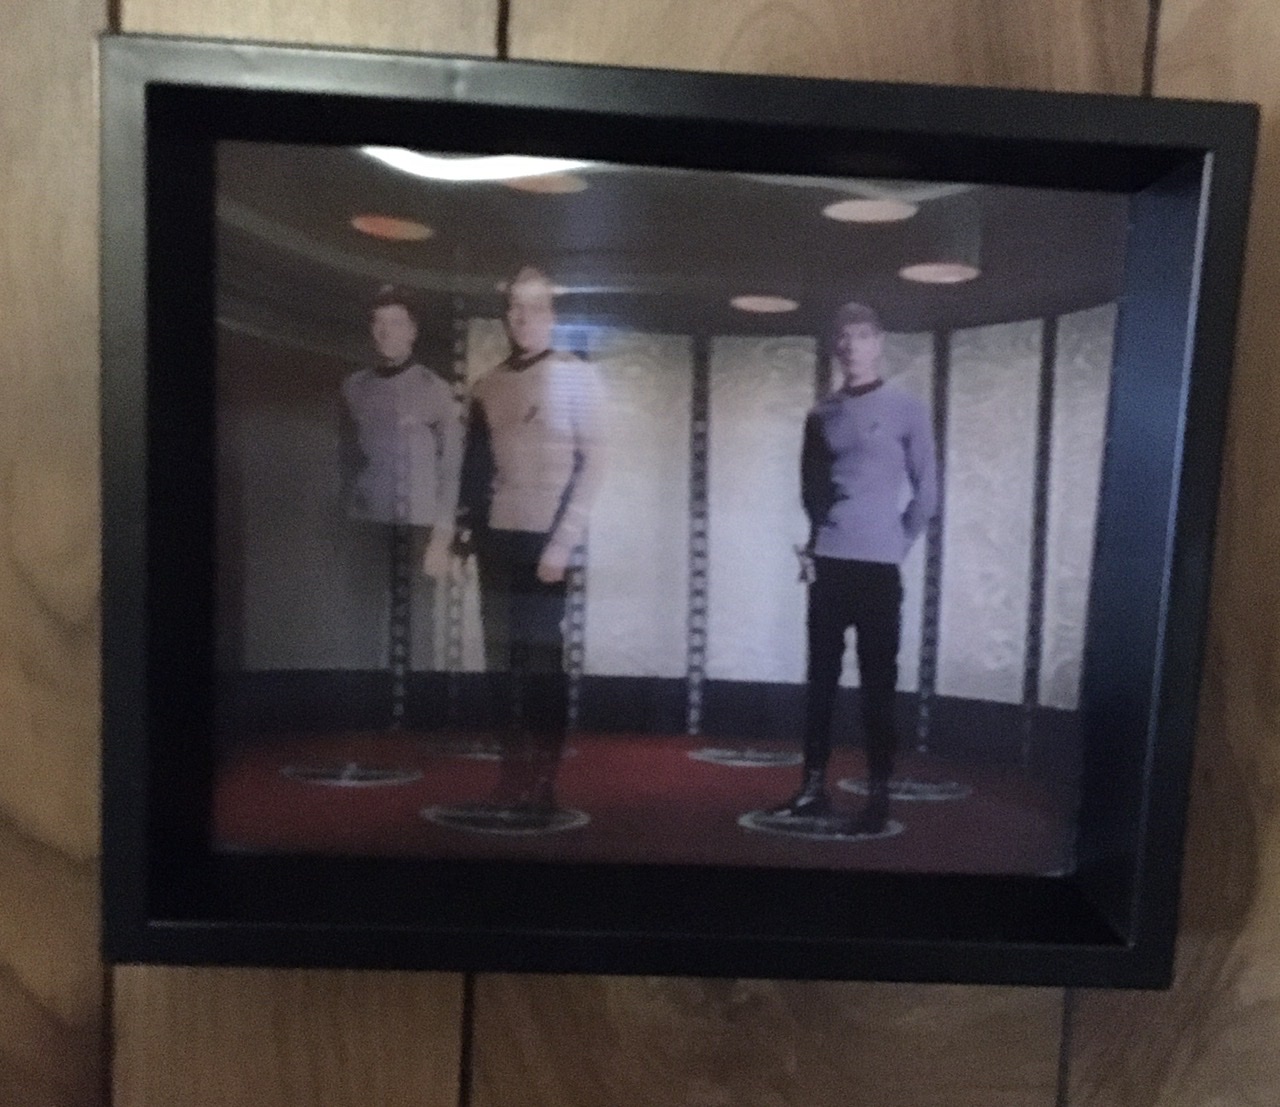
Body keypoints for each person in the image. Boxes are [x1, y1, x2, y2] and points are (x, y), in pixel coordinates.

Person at [770, 301, 938, 835]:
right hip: (830, 565)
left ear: (879, 343)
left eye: (862, 336)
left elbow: (928, 493)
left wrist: (898, 544)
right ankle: (812, 788)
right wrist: (815, 545)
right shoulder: (821, 414)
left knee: (877, 684)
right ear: (835, 347)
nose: (851, 346)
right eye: (843, 337)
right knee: (820, 680)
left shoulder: (907, 409)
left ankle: (878, 795)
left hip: (878, 569)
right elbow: (811, 490)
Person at [456, 266, 607, 817]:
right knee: (500, 662)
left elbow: (596, 463)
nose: (523, 318)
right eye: (514, 308)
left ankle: (544, 778)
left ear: (552, 314)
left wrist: (562, 543)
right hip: (497, 538)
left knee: (543, 661)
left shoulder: (578, 377)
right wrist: (464, 536)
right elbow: (475, 471)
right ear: (506, 316)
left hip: (548, 543)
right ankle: (510, 773)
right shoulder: (487, 385)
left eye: (534, 308)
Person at [339, 285, 463, 716]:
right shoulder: (354, 388)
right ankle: (368, 717)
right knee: (364, 622)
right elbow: (346, 458)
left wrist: (442, 537)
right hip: (367, 524)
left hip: (419, 527)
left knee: (417, 627)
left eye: (395, 323)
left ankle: (420, 718)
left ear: (412, 331)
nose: (385, 332)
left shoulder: (435, 389)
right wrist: (348, 513)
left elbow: (452, 468)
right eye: (378, 323)